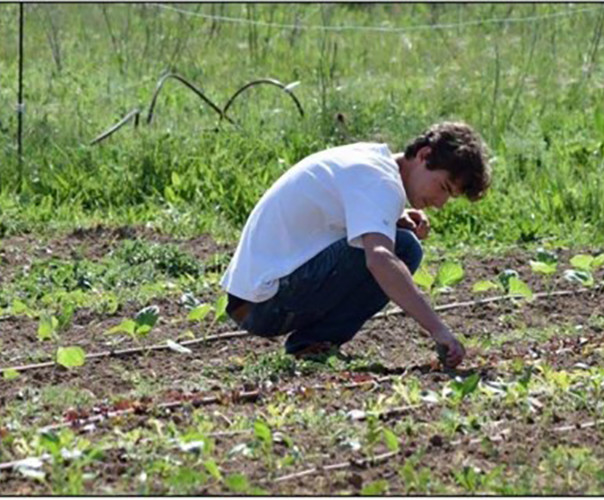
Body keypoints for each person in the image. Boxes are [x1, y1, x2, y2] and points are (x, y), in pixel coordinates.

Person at [220, 122, 491, 368]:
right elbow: (379, 259)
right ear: (424, 156)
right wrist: (438, 329)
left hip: (250, 301)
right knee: (402, 249)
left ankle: (312, 344)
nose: (442, 203)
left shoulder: (371, 162)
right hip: (264, 304)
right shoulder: (381, 181)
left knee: (399, 241)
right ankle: (313, 343)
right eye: (443, 187)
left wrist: (393, 220)